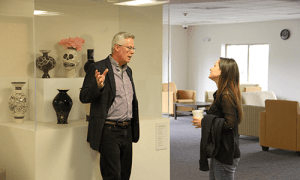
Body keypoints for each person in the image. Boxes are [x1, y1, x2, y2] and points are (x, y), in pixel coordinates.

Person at [80, 32, 139, 180]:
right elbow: (84, 97)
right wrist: (98, 86)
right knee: (112, 176)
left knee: (125, 175)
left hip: (127, 130)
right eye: (129, 48)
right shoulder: (98, 67)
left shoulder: (128, 71)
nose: (132, 52)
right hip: (109, 131)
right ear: (117, 47)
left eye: (133, 48)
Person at [191, 57, 243, 180]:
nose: (211, 68)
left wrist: (205, 122)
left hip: (225, 152)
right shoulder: (221, 93)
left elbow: (230, 123)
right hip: (219, 149)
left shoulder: (226, 95)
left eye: (214, 66)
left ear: (221, 71)